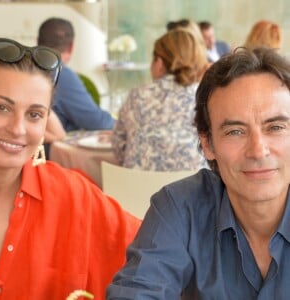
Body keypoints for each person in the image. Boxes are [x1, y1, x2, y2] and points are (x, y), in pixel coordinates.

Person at [107, 46, 290, 299]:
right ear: (207, 144)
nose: (258, 151)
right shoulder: (180, 207)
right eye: (235, 131)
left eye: (276, 127)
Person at [0, 37, 140, 299]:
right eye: (1, 107)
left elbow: (155, 244)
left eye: (34, 114)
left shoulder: (72, 195)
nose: (17, 128)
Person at [111, 29, 208, 171]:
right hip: (191, 189)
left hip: (135, 189)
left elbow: (118, 146)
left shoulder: (137, 95)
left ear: (159, 63)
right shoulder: (203, 96)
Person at [37, 17, 115, 132]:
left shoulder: (24, 67)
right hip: (50, 147)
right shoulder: (60, 74)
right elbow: (96, 121)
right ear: (71, 46)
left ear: (38, 41)